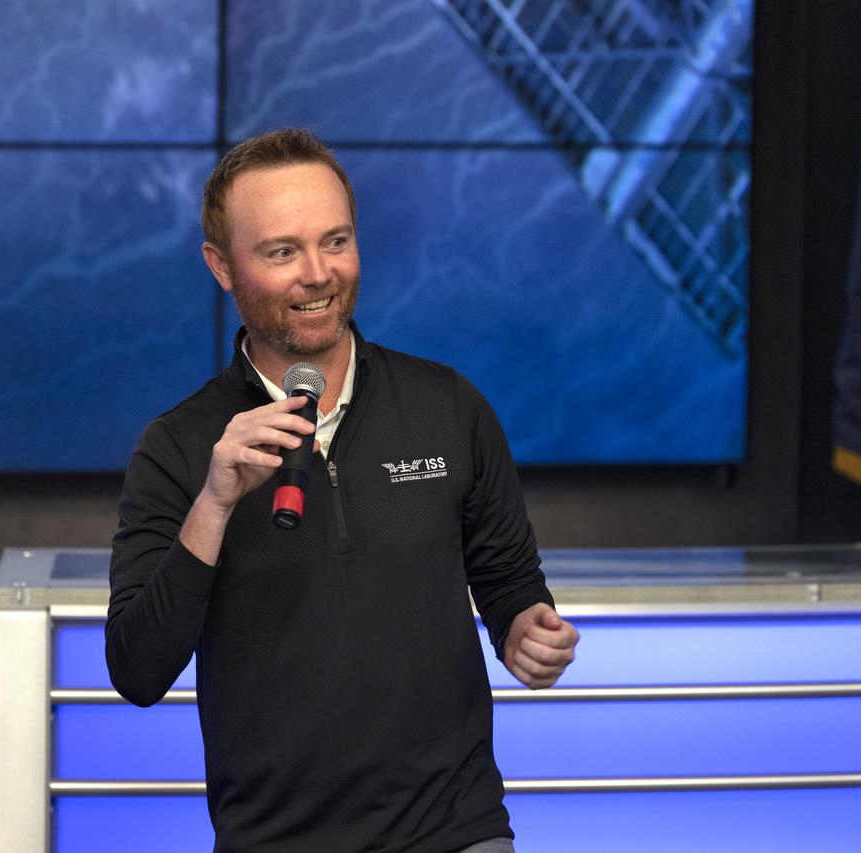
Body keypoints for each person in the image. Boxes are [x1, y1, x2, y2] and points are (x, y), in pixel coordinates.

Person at [107, 128, 579, 853]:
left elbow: (512, 587)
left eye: (336, 241)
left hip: (456, 831)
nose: (317, 273)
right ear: (222, 266)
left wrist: (526, 632)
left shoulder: (449, 407)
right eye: (282, 251)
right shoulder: (179, 447)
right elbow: (137, 670)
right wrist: (214, 504)